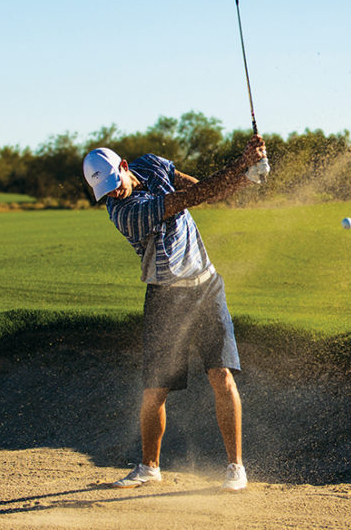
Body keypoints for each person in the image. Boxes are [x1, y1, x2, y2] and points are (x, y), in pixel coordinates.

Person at [82, 135, 268, 492]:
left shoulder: (152, 163)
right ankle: (149, 467)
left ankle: (235, 467)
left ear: (124, 167)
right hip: (165, 298)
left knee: (221, 376)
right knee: (155, 390)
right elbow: (189, 199)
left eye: (113, 184)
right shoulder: (125, 213)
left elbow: (203, 190)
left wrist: (246, 177)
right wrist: (242, 164)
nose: (112, 194)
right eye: (104, 192)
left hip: (207, 286)